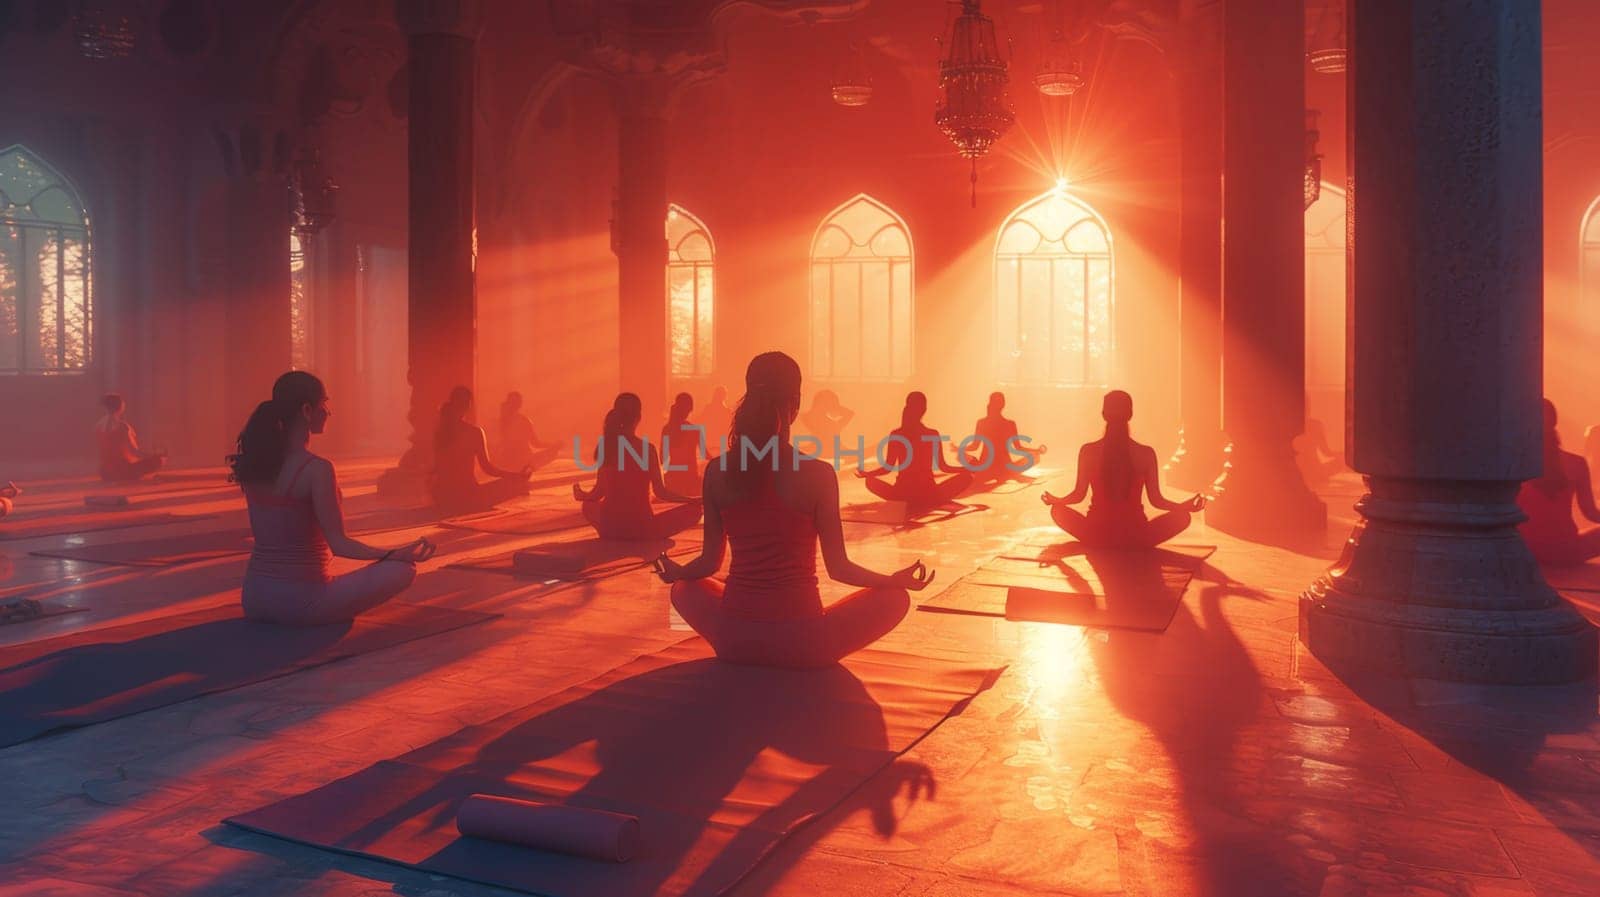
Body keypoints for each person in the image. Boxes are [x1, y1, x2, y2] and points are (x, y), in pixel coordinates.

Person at [655, 352, 935, 669]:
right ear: (796, 404)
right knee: (895, 598)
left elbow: (707, 562)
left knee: (684, 587)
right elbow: (839, 568)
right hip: (804, 644)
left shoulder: (718, 471)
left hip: (734, 639)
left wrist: (677, 572)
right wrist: (891, 579)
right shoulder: (818, 474)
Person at [230, 371, 435, 626]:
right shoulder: (316, 469)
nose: (328, 411)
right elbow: (340, 545)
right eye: (324, 403)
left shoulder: (256, 464)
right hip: (301, 603)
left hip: (254, 598)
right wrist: (395, 553)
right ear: (307, 410)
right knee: (403, 569)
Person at [1042, 390, 1205, 548]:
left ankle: (1104, 543)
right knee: (1182, 517)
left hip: (1096, 534)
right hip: (1136, 535)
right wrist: (1184, 507)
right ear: (1130, 414)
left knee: (1057, 511)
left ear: (1104, 414)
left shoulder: (1088, 451)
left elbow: (1078, 495)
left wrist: (1057, 501)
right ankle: (1131, 545)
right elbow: (1156, 500)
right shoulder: (1145, 453)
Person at [574, 392, 701, 540]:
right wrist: (691, 500)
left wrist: (582, 495)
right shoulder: (647, 449)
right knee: (695, 510)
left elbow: (598, 492)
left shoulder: (606, 446)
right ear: (639, 418)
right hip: (642, 528)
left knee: (588, 506)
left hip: (610, 526)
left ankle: (614, 533)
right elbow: (661, 492)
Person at [855, 392, 973, 510]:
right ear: (924, 410)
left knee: (870, 482)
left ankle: (907, 500)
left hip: (902, 494)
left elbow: (888, 467)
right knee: (967, 477)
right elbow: (944, 467)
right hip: (929, 493)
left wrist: (868, 474)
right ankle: (931, 500)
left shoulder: (897, 434)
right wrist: (966, 469)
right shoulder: (932, 434)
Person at [1517, 399, 1600, 565]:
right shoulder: (1576, 463)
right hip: (1567, 550)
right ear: (1555, 423)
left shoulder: (1512, 462)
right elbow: (1590, 513)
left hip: (1524, 550)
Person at [432, 386, 532, 515]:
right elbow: (488, 469)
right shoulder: (474, 432)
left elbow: (437, 467)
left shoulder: (439, 432)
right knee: (517, 485)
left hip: (442, 497)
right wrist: (516, 476)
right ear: (468, 406)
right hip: (467, 497)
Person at [965, 391, 1047, 484]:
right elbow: (1018, 448)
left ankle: (1005, 474)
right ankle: (1009, 474)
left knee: (966, 458)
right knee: (1034, 457)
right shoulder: (1010, 424)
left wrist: (959, 449)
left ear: (989, 403)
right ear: (1003, 405)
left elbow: (974, 446)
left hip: (985, 468)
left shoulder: (982, 422)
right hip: (1005, 468)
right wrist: (1036, 451)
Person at [96, 393, 166, 482]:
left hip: (105, 473)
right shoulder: (123, 426)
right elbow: (134, 452)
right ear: (121, 406)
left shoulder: (98, 426)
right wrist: (153, 456)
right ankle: (129, 477)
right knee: (159, 460)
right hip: (123, 471)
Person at [496, 391, 559, 474]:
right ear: (520, 405)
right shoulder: (523, 420)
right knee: (554, 452)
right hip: (524, 461)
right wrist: (553, 446)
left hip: (507, 461)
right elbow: (536, 443)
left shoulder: (502, 421)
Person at [661, 392, 703, 498]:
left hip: (673, 479)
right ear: (690, 409)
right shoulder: (695, 430)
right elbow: (705, 455)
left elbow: (663, 458)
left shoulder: (667, 429)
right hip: (691, 479)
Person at [799, 389, 855, 457]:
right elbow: (849, 414)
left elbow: (849, 414)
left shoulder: (829, 423)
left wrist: (837, 407)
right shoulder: (806, 419)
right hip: (826, 454)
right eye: (831, 404)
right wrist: (837, 407)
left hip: (830, 453)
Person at [1294, 417, 1345, 490]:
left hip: (1301, 469)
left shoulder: (1296, 431)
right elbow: (1327, 452)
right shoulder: (1316, 430)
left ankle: (1317, 478)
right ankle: (1319, 478)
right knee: (1341, 461)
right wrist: (1341, 455)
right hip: (1315, 471)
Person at [699, 385, 733, 455]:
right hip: (721, 442)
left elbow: (702, 422)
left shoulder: (708, 408)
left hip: (710, 441)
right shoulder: (727, 411)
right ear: (725, 396)